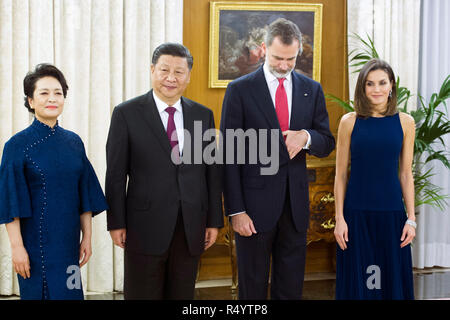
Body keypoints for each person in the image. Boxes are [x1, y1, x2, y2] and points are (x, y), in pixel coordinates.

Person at [220, 18, 335, 300]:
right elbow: (229, 155)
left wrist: (305, 137)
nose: (284, 65)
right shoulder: (240, 90)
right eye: (277, 58)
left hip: (295, 209)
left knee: (290, 288)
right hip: (253, 210)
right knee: (253, 288)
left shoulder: (312, 89)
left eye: (291, 59)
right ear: (263, 49)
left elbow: (326, 142)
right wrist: (236, 211)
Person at [105, 43, 223, 300]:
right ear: (152, 70)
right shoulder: (126, 113)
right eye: (164, 70)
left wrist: (214, 220)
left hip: (190, 224)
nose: (171, 78)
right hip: (143, 225)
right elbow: (115, 174)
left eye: (179, 72)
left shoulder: (202, 115)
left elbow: (211, 172)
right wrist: (116, 222)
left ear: (188, 76)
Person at [0, 64, 108, 300]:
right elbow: (10, 202)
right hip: (34, 245)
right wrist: (17, 248)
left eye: (58, 93)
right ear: (30, 100)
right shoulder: (16, 146)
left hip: (69, 244)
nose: (52, 99)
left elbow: (85, 196)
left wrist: (87, 238)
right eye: (44, 93)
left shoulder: (74, 142)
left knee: (71, 294)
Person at [334, 58, 415, 299]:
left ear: (391, 85)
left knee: (388, 284)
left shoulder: (405, 122)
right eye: (370, 84)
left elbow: (405, 173)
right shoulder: (349, 122)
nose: (377, 89)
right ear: (362, 87)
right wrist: (339, 219)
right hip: (356, 217)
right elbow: (340, 175)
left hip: (392, 217)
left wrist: (411, 218)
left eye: (382, 83)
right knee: (363, 285)